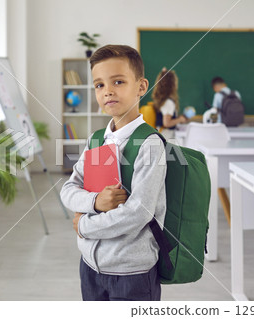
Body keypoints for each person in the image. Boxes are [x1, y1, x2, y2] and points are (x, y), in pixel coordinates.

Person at [60, 45, 166, 301]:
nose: (107, 91)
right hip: (90, 266)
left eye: (118, 81)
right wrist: (95, 201)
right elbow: (68, 189)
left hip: (132, 272)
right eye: (99, 85)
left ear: (141, 87)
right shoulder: (96, 140)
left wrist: (85, 225)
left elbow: (137, 214)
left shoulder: (149, 144)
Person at [151, 67, 186, 140]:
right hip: (166, 137)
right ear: (172, 85)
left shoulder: (162, 100)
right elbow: (167, 123)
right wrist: (180, 119)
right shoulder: (169, 102)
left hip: (160, 136)